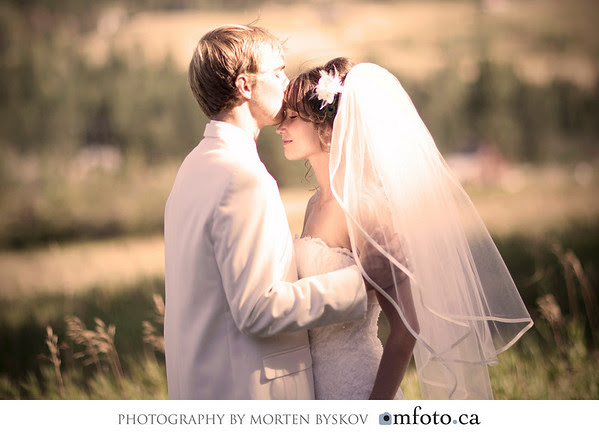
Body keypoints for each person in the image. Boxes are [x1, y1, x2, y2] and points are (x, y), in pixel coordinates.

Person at [276, 57, 533, 399]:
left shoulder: (363, 207)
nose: (280, 127)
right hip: (312, 391)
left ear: (327, 125)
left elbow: (406, 328)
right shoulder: (313, 204)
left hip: (357, 388)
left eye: (292, 117)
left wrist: (375, 412)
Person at [163, 26, 369, 400]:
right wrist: (362, 283)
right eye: (278, 72)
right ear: (245, 86)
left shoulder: (193, 168)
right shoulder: (243, 179)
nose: (287, 84)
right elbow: (258, 309)